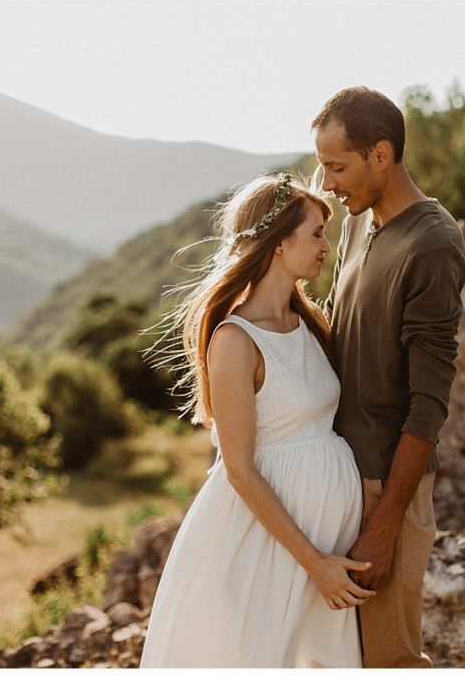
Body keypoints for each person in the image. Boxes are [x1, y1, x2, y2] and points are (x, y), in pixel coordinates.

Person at [139, 172, 374, 668]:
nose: (325, 247)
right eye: (315, 234)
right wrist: (315, 564)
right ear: (279, 244)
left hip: (327, 540)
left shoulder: (310, 322)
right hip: (271, 544)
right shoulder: (236, 340)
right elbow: (239, 469)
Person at [313, 86, 465, 668]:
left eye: (337, 166)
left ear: (381, 155)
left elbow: (429, 404)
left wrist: (384, 527)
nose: (328, 183)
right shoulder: (358, 224)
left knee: (389, 658)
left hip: (387, 484)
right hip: (337, 475)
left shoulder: (432, 243)